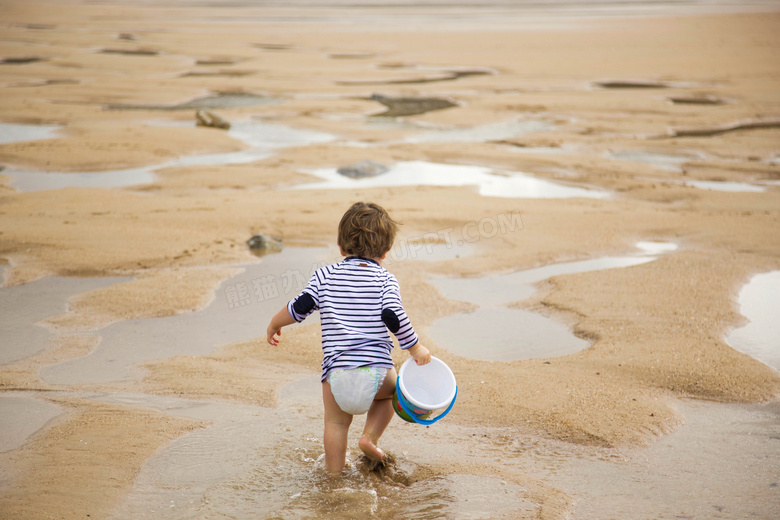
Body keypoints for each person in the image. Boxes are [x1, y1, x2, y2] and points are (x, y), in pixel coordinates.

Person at [266, 201, 431, 474]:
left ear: (341, 247)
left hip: (338, 373)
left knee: (335, 424)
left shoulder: (324, 276)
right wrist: (415, 348)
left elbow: (301, 306)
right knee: (391, 395)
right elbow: (393, 315)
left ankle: (333, 477)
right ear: (386, 251)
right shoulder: (386, 280)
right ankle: (369, 438)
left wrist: (274, 323)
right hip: (377, 371)